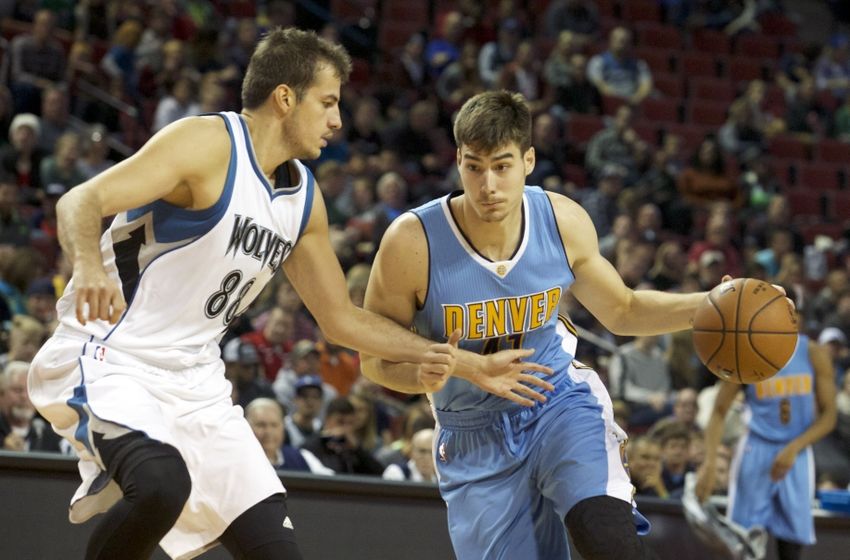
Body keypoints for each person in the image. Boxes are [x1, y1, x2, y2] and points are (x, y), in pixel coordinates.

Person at [27, 29, 545, 560]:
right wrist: (88, 265)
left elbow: (341, 319)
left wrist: (467, 364)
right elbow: (80, 201)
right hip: (114, 354)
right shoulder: (207, 144)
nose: (337, 120)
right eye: (328, 102)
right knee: (161, 486)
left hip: (196, 383)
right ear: (285, 98)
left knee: (276, 549)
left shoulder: (303, 200)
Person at [360, 90, 729, 560]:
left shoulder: (561, 220)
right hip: (472, 431)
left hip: (557, 402)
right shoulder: (412, 243)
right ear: (457, 161)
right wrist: (422, 374)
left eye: (502, 165)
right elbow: (374, 360)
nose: (488, 185)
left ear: (528, 160)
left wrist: (713, 304)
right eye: (474, 167)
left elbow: (623, 310)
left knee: (608, 539)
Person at [696, 291, 837, 560]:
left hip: (796, 450)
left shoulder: (813, 353)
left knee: (792, 545)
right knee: (744, 543)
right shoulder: (746, 350)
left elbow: (829, 416)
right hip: (756, 448)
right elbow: (719, 411)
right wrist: (710, 462)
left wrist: (794, 448)